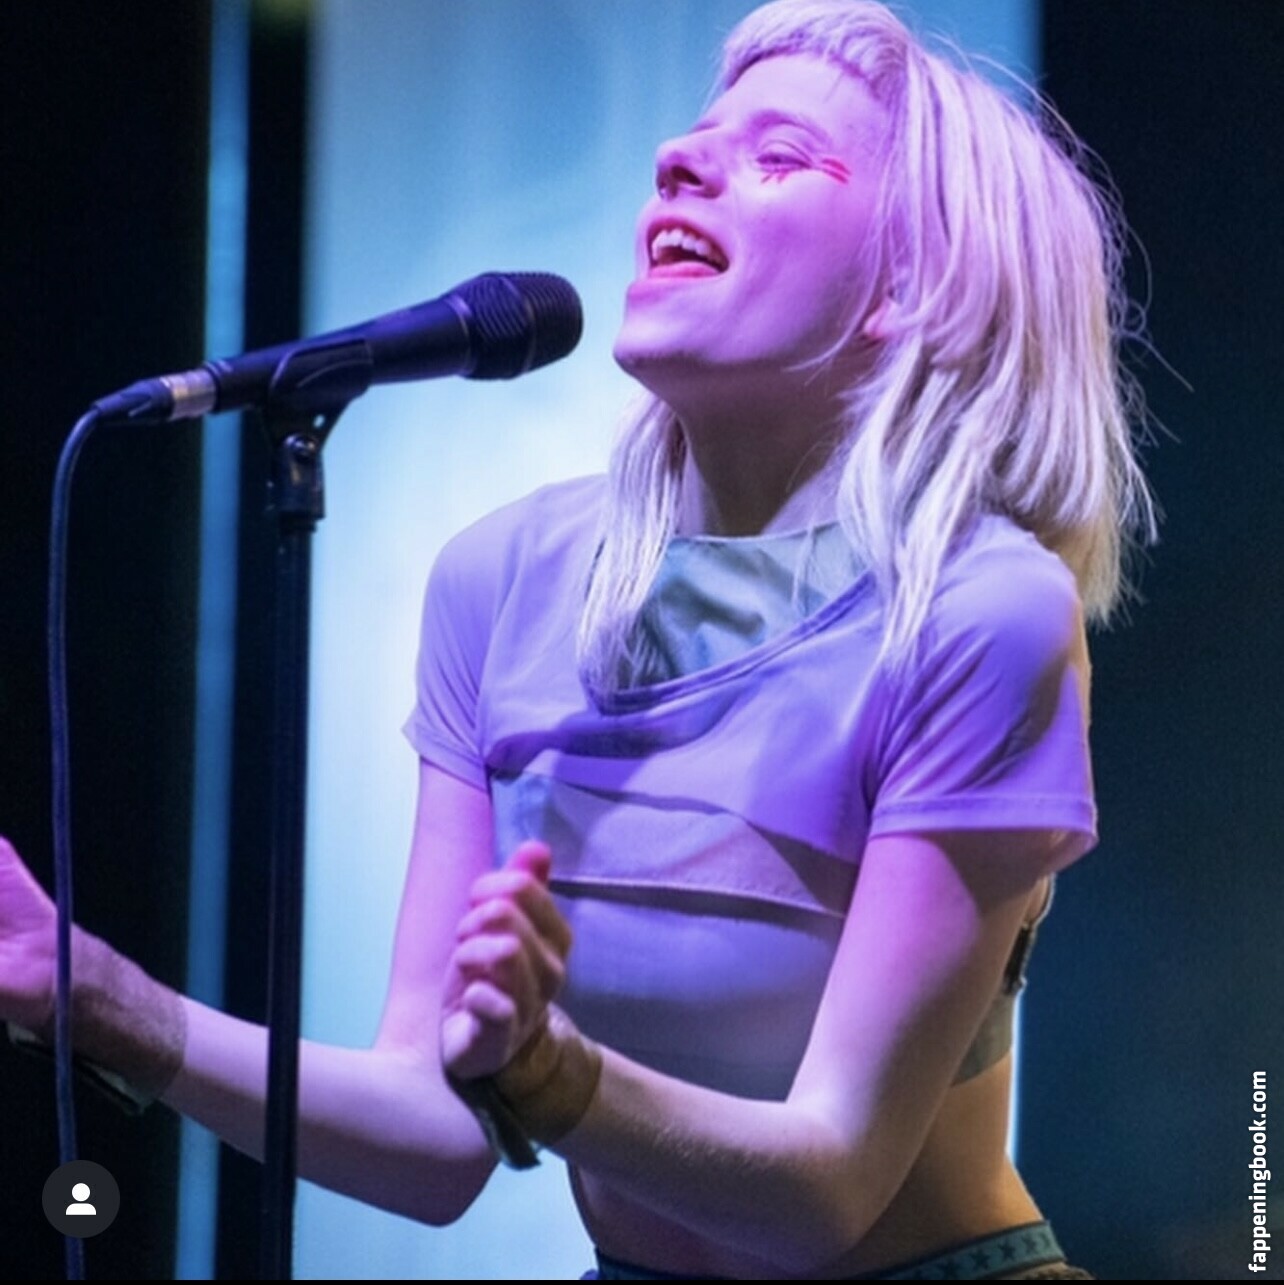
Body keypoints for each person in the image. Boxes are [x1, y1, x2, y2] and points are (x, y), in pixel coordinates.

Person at [2, 1, 1154, 1278]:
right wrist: (91, 995)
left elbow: (830, 1185)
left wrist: (553, 1078)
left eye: (780, 157)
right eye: (698, 137)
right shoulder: (505, 579)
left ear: (909, 288)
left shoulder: (980, 614)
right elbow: (432, 1132)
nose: (679, 159)